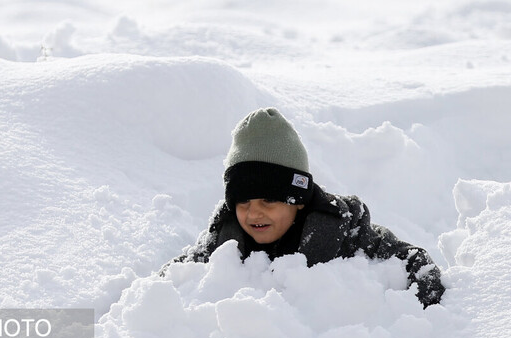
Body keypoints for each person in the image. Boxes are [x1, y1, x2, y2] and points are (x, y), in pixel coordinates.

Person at [161, 107, 444, 308]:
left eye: (268, 200)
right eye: (243, 202)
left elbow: (406, 256)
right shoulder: (224, 234)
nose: (253, 213)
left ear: (298, 200)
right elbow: (180, 273)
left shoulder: (343, 226)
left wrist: (426, 297)